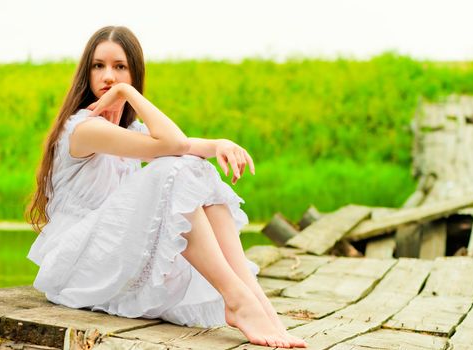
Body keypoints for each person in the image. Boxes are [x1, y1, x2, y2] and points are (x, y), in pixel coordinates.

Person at [25, 26, 306, 348]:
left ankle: (255, 299)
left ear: (135, 71)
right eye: (98, 66)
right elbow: (173, 143)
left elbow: (184, 145)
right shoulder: (83, 127)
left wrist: (220, 144)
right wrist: (128, 92)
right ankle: (237, 300)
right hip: (79, 265)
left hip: (111, 255)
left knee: (194, 168)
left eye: (120, 67)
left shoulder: (128, 130)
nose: (108, 76)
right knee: (178, 167)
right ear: (85, 73)